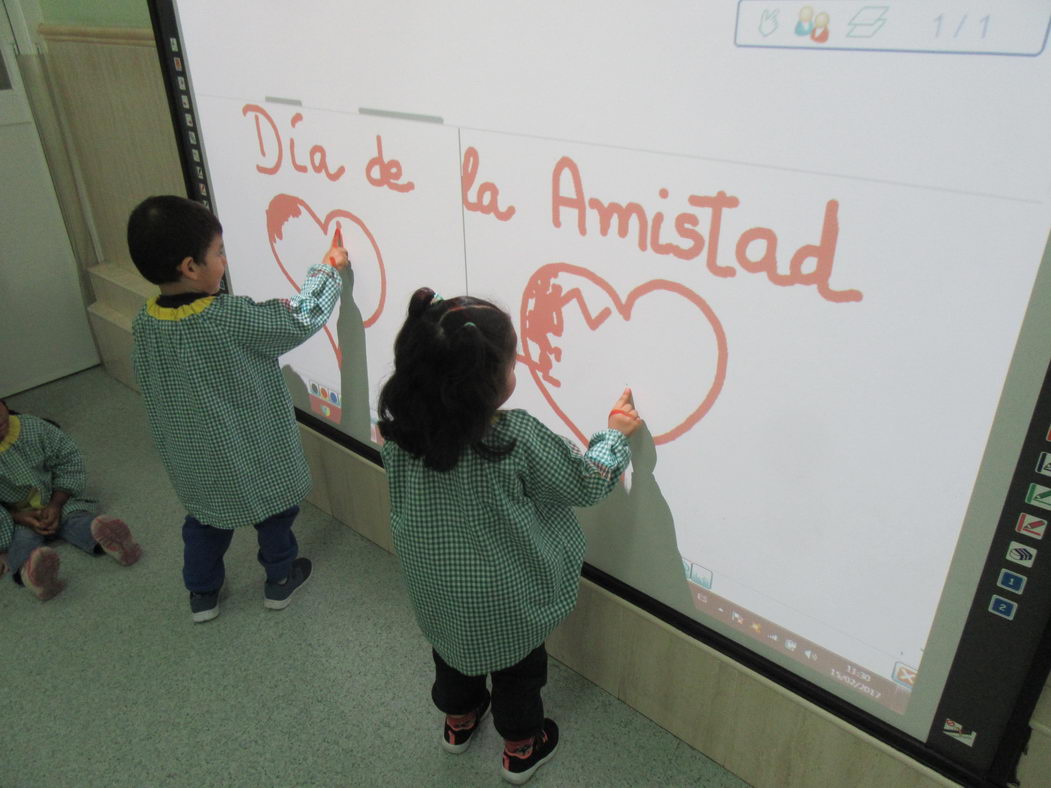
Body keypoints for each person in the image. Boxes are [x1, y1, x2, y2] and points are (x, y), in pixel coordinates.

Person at [377, 288, 641, 785]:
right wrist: (613, 437)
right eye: (510, 362)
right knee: (519, 677)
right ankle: (522, 749)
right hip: (507, 601)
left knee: (453, 660)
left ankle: (459, 721)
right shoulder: (512, 439)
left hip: (438, 592)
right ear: (485, 384)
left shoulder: (398, 435)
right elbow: (584, 483)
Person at [126, 195, 348, 623]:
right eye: (220, 252)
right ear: (191, 267)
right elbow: (298, 319)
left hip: (195, 460)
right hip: (252, 454)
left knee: (205, 524)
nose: (225, 260)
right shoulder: (227, 317)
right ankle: (280, 581)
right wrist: (328, 269)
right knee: (275, 514)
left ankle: (202, 594)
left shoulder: (144, 322)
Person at [0, 399, 141, 600]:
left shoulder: (34, 427)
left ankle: (113, 544)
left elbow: (68, 460)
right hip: (13, 519)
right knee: (21, 541)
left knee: (74, 518)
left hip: (58, 498)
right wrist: (18, 517)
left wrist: (56, 503)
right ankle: (33, 576)